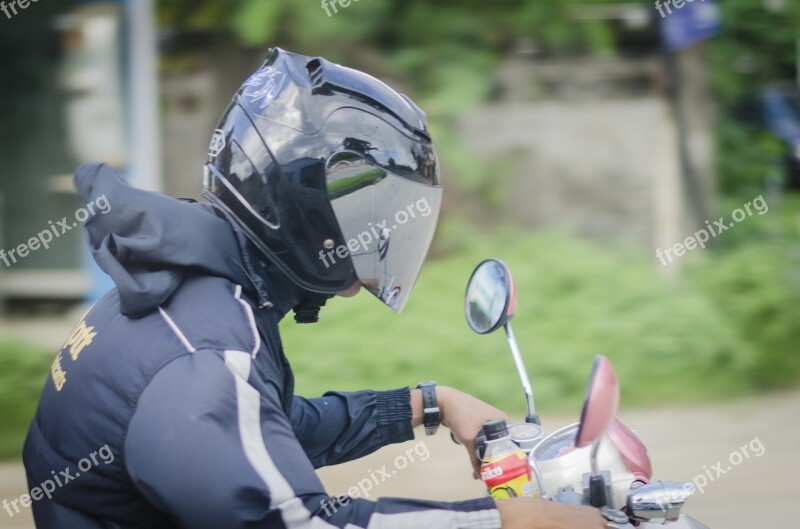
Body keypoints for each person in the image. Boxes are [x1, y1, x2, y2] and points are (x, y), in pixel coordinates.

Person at [22, 48, 605, 529]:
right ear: (308, 217)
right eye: (362, 221)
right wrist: (507, 523)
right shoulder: (207, 353)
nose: (372, 254)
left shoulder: (184, 287)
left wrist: (431, 405)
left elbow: (259, 426)